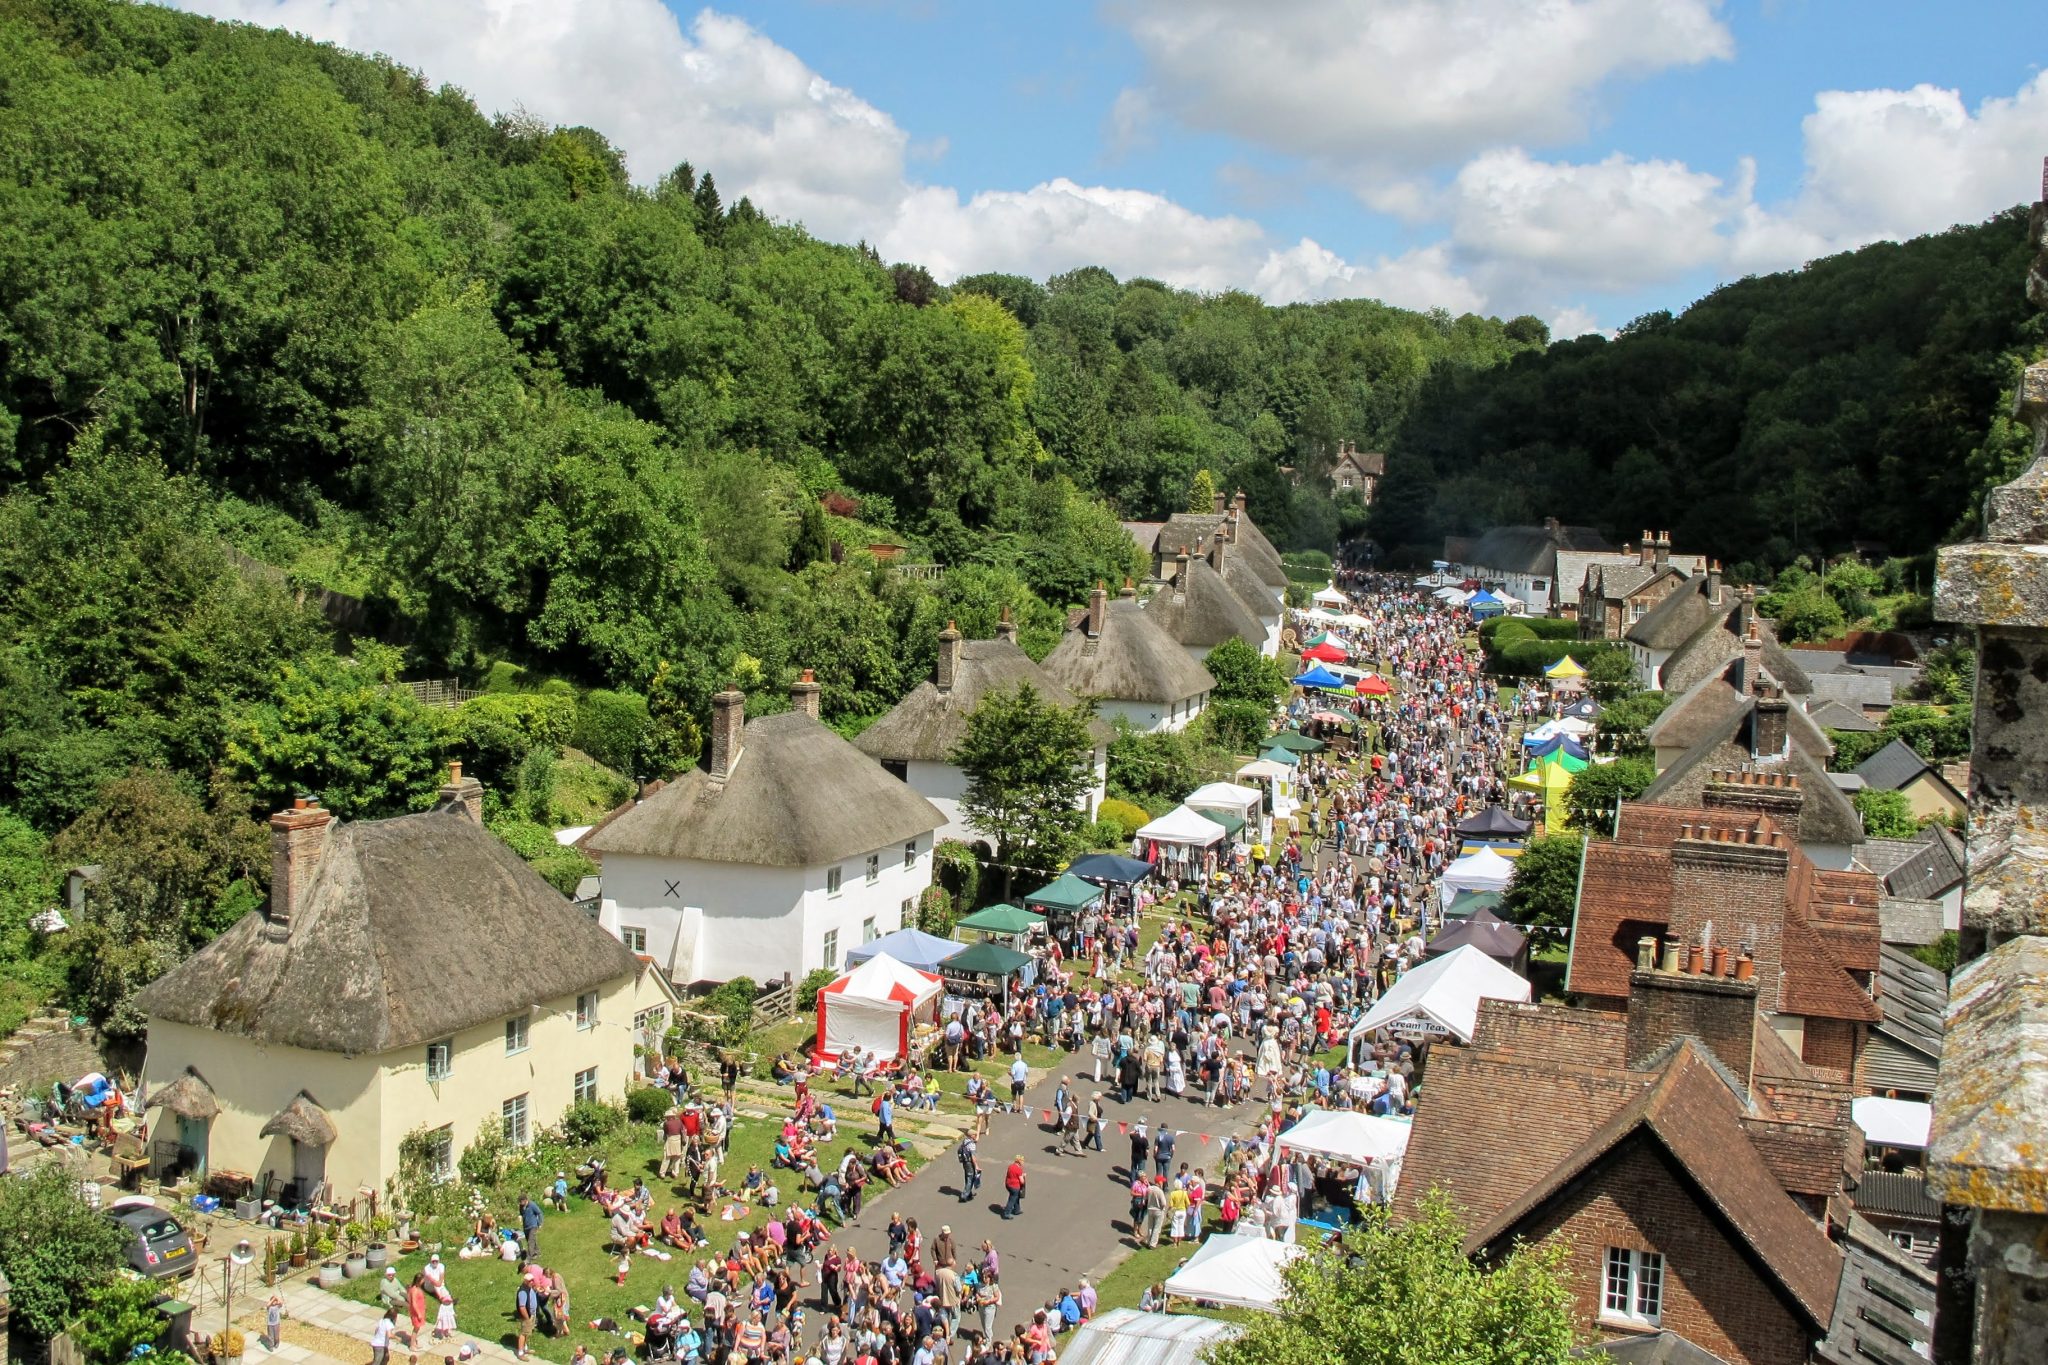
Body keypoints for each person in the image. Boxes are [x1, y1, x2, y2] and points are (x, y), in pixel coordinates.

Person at [513, 1277, 540, 1360]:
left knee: (527, 1333)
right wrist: (527, 1318)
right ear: (525, 1281)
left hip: (532, 1314)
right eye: (530, 1281)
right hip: (527, 1316)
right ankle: (520, 1353)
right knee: (523, 1333)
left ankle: (525, 1349)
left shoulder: (529, 1288)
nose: (532, 1282)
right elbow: (522, 1307)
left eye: (532, 1280)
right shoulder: (523, 1292)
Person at [956, 1133, 981, 1203]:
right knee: (970, 1178)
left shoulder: (965, 1140)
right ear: (972, 1136)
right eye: (975, 1134)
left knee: (967, 1177)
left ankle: (969, 1192)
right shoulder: (972, 1145)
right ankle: (964, 1196)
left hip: (965, 1162)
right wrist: (976, 1166)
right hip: (969, 1163)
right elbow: (973, 1157)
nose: (976, 1136)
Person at [519, 1193, 544, 1257]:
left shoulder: (532, 1205)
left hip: (533, 1225)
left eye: (521, 1201)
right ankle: (537, 1252)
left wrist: (540, 1223)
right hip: (526, 1226)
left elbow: (539, 1213)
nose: (520, 1203)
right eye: (519, 1201)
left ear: (525, 1200)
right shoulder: (521, 1206)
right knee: (531, 1240)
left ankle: (530, 1256)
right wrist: (521, 1216)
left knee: (530, 1241)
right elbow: (521, 1213)